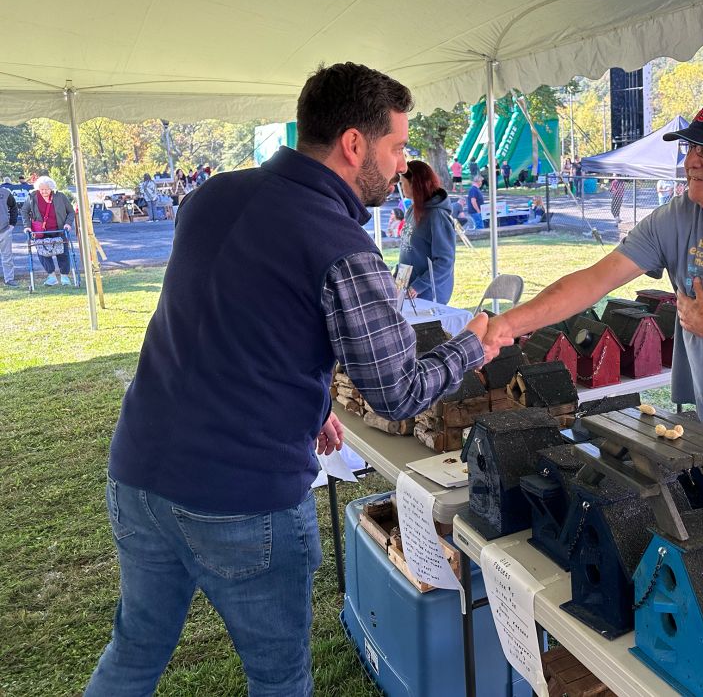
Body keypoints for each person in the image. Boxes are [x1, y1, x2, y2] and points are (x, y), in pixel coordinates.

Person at [84, 62, 510, 696]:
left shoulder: (211, 197)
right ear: (353, 143)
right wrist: (473, 345)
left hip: (139, 472)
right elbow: (397, 391)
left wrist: (311, 409)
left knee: (135, 650)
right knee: (278, 677)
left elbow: (233, 320)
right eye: (396, 146)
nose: (402, 164)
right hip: (241, 495)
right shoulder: (341, 244)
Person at [486, 96, 703, 473]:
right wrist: (505, 326)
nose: (690, 162)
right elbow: (593, 281)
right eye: (690, 148)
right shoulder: (678, 217)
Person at [398, 160, 457, 304]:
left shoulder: (437, 216)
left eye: (402, 182)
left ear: (414, 184)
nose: (400, 186)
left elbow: (445, 261)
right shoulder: (413, 210)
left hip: (428, 294)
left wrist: (419, 286)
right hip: (409, 289)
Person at [20, 176, 76, 286]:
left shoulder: (60, 196)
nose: (44, 191)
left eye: (46, 189)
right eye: (41, 189)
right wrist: (27, 226)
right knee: (43, 253)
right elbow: (24, 211)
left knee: (63, 253)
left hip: (59, 229)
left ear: (51, 188)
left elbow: (71, 212)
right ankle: (52, 277)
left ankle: (64, 277)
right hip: (41, 231)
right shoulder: (33, 197)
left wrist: (68, 223)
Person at [1, 184, 17, 286]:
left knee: (7, 257)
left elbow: (14, 207)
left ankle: (9, 279)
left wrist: (12, 223)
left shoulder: (5, 192)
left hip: (4, 230)